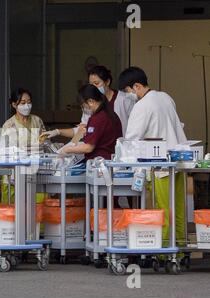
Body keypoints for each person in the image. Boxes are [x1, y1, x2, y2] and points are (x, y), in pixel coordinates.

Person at [118, 66, 187, 245]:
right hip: (179, 162)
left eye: (128, 92)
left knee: (162, 210)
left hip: (159, 167)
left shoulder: (142, 106)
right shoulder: (165, 97)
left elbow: (132, 139)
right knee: (178, 208)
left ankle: (164, 251)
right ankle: (179, 247)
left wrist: (123, 163)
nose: (128, 96)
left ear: (137, 86)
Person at [1, 88, 46, 204]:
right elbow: (7, 151)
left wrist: (42, 142)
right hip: (14, 176)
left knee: (37, 212)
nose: (27, 105)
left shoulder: (37, 121)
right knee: (12, 214)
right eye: (23, 103)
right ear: (14, 105)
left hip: (37, 173)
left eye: (29, 102)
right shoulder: (9, 125)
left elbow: (45, 142)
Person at [59, 84, 122, 160]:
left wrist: (66, 150)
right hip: (111, 159)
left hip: (99, 162)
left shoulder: (98, 118)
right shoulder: (110, 113)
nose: (84, 109)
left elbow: (88, 148)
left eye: (83, 106)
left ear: (90, 101)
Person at [88, 65, 136, 135]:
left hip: (121, 142)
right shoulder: (90, 102)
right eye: (91, 84)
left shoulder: (124, 99)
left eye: (96, 83)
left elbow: (134, 124)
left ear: (107, 82)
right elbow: (86, 124)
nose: (93, 87)